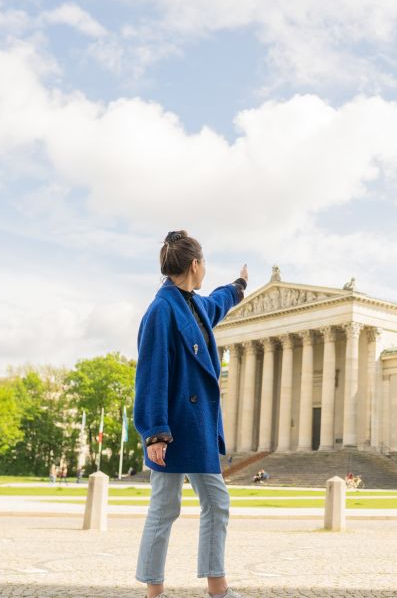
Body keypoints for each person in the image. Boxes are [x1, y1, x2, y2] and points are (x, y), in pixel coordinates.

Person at [134, 230, 248, 598]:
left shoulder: (193, 305)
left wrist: (239, 285)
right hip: (170, 429)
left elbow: (217, 301)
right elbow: (151, 373)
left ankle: (217, 586)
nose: (205, 271)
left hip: (195, 427)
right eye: (205, 263)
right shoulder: (161, 309)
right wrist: (154, 432)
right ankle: (154, 591)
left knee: (216, 502)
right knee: (164, 509)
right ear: (195, 265)